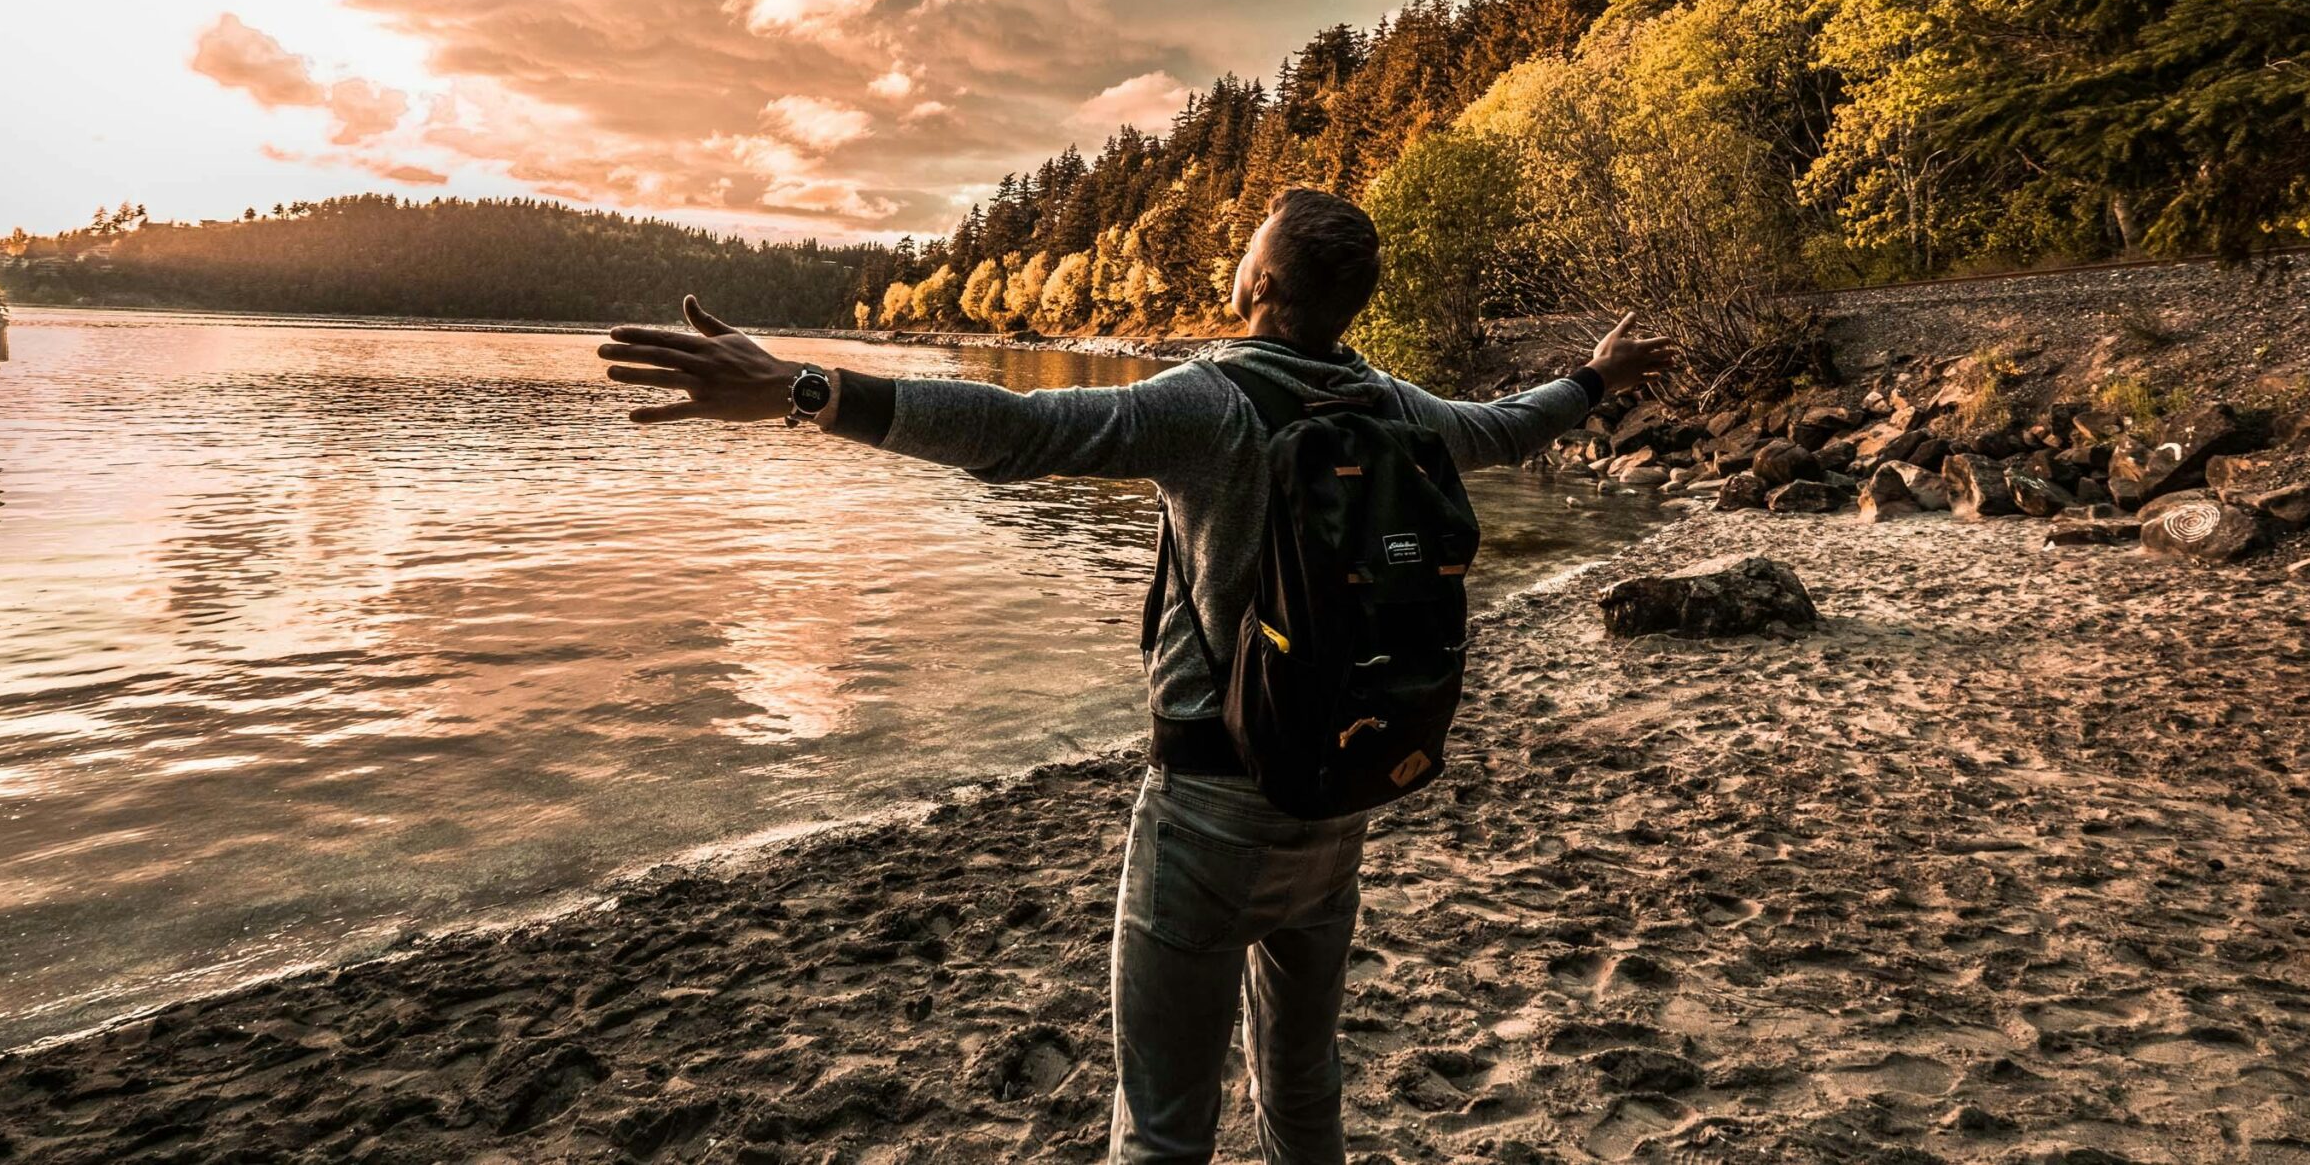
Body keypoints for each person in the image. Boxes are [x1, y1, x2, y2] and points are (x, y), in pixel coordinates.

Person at [598, 186, 1674, 1164]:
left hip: (1209, 806)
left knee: (1161, 1125)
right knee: (1303, 1086)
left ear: (1256, 284)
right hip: (1342, 784)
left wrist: (806, 388)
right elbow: (1504, 428)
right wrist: (1595, 378)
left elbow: (1016, 431)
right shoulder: (1396, 409)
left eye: (1248, 246)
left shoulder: (1207, 402)